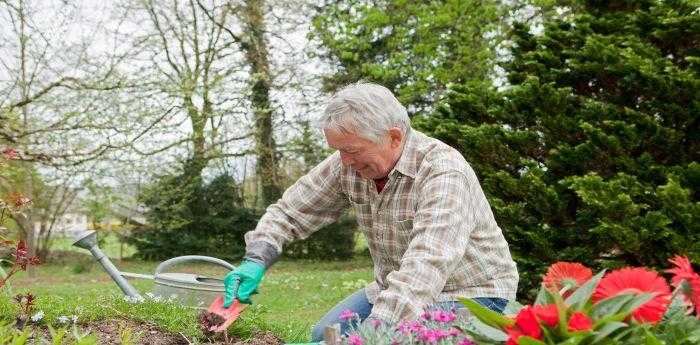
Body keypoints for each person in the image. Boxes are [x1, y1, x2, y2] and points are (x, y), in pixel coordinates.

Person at [223, 82, 518, 341]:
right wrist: (257, 258)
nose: (344, 161)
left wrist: (374, 333)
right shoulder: (348, 164)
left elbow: (426, 265)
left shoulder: (443, 173)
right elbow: (290, 211)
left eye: (352, 150)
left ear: (393, 137)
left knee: (388, 341)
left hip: (473, 295)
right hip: (393, 288)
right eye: (338, 150)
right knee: (324, 336)